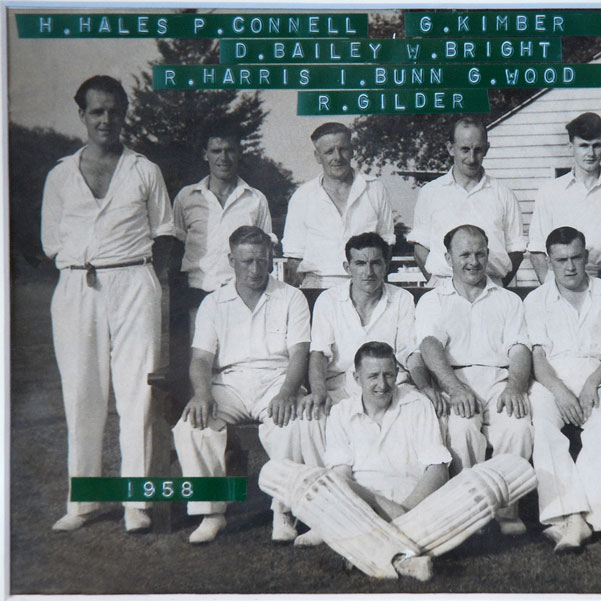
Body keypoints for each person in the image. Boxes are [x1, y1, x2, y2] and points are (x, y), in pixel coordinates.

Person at [258, 342, 537, 581]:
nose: (382, 385)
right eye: (373, 376)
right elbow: (341, 478)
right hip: (362, 505)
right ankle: (409, 555)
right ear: (356, 378)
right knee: (331, 491)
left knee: (457, 494)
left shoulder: (417, 404)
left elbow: (437, 470)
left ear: (396, 373)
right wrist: (386, 507)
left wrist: (406, 511)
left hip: (415, 500)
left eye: (389, 375)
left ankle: (371, 553)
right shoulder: (342, 413)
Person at [42, 75, 174, 533]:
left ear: (125, 114)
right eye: (96, 111)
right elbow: (52, 242)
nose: (106, 119)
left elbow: (165, 232)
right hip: (77, 287)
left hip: (135, 281)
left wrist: (146, 278)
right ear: (82, 115)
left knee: (139, 394)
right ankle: (84, 502)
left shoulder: (144, 170)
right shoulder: (60, 175)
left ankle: (137, 502)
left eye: (114, 111)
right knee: (82, 393)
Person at [172, 226, 311, 543]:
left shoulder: (291, 297)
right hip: (229, 384)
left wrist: (287, 392)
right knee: (192, 425)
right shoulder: (214, 303)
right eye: (247, 261)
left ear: (271, 259)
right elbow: (201, 359)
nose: (255, 269)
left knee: (291, 424)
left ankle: (282, 512)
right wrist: (202, 394)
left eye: (262, 260)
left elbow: (299, 354)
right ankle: (211, 513)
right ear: (231, 260)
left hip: (277, 381)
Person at [415, 224, 534, 535]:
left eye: (480, 254)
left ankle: (506, 512)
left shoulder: (508, 300)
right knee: (462, 428)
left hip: (499, 379)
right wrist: (454, 389)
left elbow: (519, 348)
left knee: (518, 427)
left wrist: (515, 386)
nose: (473, 262)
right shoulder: (433, 300)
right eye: (464, 254)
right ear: (448, 258)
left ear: (488, 255)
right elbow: (429, 345)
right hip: (454, 379)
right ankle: (469, 512)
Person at [525, 227, 601, 552]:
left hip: (596, 373)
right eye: (561, 260)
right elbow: (537, 356)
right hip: (550, 379)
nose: (570, 267)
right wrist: (559, 391)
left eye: (575, 257)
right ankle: (576, 519)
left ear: (586, 256)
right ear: (549, 261)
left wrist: (592, 382)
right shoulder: (536, 300)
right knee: (544, 429)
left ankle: (573, 520)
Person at [300, 233, 438, 462]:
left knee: (424, 408)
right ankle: (325, 482)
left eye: (375, 263)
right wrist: (318, 391)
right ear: (347, 267)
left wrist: (424, 386)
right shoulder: (329, 300)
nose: (368, 272)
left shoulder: (402, 299)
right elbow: (319, 353)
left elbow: (410, 353)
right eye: (360, 263)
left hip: (390, 386)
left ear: (386, 265)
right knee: (310, 419)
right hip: (341, 387)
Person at [408, 117, 527, 287]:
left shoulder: (504, 194)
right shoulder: (430, 192)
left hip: (491, 288)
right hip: (443, 289)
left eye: (478, 150)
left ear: (486, 149)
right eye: (465, 149)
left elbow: (516, 250)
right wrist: (440, 285)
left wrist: (494, 287)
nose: (471, 158)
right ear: (451, 148)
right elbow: (420, 247)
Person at [527, 112, 601, 286]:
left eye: (596, 145)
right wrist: (550, 287)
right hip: (561, 280)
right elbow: (537, 248)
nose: (590, 153)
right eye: (584, 146)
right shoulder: (550, 191)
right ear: (571, 147)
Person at [282, 122, 395, 288]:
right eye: (329, 151)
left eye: (343, 149)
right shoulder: (302, 197)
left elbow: (387, 245)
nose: (337, 157)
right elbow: (293, 258)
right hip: (318, 285)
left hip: (366, 285)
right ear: (317, 156)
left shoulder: (375, 189)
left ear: (352, 151)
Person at [172, 118, 272, 299]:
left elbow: (265, 253)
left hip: (241, 294)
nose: (223, 158)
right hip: (196, 292)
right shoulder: (186, 197)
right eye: (216, 151)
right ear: (205, 154)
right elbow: (177, 248)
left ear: (239, 153)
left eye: (230, 150)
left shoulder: (256, 199)